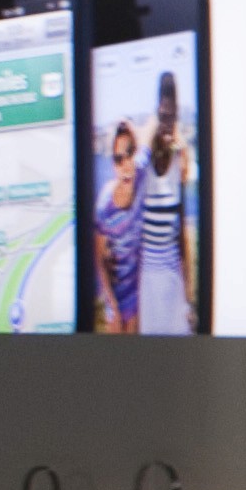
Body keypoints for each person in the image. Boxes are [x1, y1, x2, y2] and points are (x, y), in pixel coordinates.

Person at [132, 73, 194, 331]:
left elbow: (181, 233)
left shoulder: (181, 158)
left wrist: (188, 299)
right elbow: (132, 180)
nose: (168, 123)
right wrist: (147, 137)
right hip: (146, 280)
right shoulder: (144, 161)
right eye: (163, 116)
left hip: (172, 279)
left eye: (172, 117)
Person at [87, 118, 141, 332]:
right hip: (115, 296)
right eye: (119, 158)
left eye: (130, 154)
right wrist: (112, 306)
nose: (125, 164)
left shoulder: (143, 188)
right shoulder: (105, 205)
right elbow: (98, 257)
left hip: (139, 295)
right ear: (113, 164)